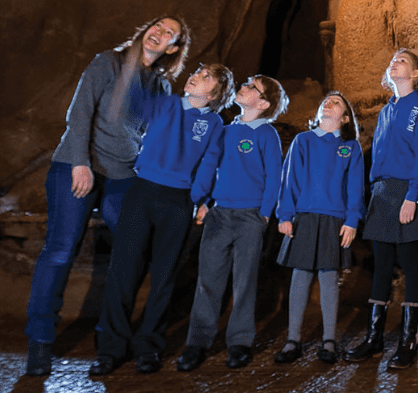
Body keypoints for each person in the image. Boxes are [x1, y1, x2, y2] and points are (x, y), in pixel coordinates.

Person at [25, 16, 190, 377]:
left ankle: (109, 338)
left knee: (132, 248)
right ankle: (39, 343)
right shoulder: (108, 63)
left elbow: (154, 138)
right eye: (157, 26)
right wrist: (80, 163)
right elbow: (79, 112)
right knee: (60, 249)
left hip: (122, 175)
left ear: (172, 48)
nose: (158, 33)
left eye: (168, 34)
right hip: (77, 164)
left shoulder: (160, 87)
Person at [90, 60, 235, 376]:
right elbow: (132, 99)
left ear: (216, 94)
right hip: (141, 191)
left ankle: (148, 347)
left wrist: (198, 199)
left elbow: (210, 165)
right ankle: (110, 349)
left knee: (164, 277)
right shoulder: (167, 104)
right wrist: (136, 67)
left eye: (206, 76)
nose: (196, 75)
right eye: (197, 71)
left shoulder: (214, 125)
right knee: (123, 270)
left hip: (178, 201)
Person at [175, 76, 289, 372]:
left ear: (263, 104)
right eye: (247, 82)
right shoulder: (223, 131)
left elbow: (275, 177)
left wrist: (265, 214)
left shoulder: (267, 134)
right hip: (220, 213)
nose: (246, 86)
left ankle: (239, 342)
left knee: (244, 281)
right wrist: (203, 202)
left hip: (250, 215)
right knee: (208, 281)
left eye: (253, 87)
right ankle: (197, 343)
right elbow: (209, 167)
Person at [344, 49, 418, 369]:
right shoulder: (387, 110)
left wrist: (412, 196)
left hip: (406, 190)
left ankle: (407, 342)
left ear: (415, 74)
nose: (393, 62)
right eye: (393, 60)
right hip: (382, 191)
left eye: (402, 61)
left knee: (410, 262)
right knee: (382, 263)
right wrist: (374, 190)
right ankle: (374, 338)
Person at [274, 91, 365, 365]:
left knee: (328, 278)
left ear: (345, 118)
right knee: (300, 276)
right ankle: (293, 339)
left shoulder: (351, 147)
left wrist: (352, 220)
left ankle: (328, 340)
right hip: (304, 216)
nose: (329, 102)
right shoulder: (303, 141)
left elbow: (356, 188)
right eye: (327, 100)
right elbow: (288, 180)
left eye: (337, 102)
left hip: (335, 218)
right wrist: (285, 215)